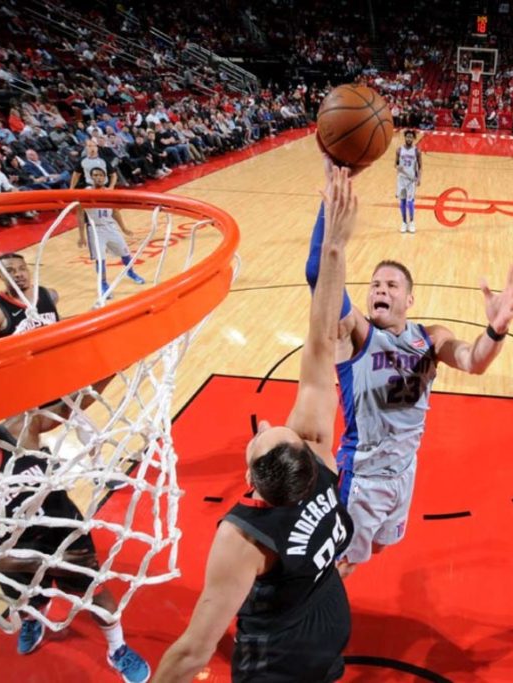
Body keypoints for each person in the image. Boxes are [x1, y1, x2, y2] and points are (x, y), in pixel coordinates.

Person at [153, 164, 359, 683]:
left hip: (280, 659)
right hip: (326, 619)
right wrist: (334, 247)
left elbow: (192, 655)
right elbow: (319, 344)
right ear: (306, 453)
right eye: (272, 426)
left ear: (252, 486)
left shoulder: (243, 538)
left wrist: (334, 246)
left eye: (261, 430)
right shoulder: (322, 455)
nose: (270, 417)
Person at [303, 199, 513, 576]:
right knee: (340, 565)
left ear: (409, 300)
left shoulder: (430, 338)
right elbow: (317, 276)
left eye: (391, 285)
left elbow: (475, 360)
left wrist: (497, 329)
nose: (380, 289)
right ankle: (315, 622)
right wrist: (329, 204)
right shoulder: (355, 334)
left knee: (377, 547)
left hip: (405, 471)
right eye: (375, 284)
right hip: (363, 478)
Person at [0, 422, 152, 683]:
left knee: (94, 595)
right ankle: (34, 617)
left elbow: (74, 399)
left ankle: (117, 649)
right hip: (12, 554)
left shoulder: (20, 431)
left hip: (64, 536)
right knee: (24, 601)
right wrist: (9, 562)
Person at [79, 167, 146, 298]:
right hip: (95, 229)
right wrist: (81, 236)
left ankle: (130, 272)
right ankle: (103, 284)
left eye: (100, 175)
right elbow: (80, 214)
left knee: (126, 253)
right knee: (101, 259)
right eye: (95, 175)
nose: (98, 177)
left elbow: (115, 212)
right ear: (91, 177)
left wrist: (124, 228)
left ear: (105, 177)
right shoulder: (86, 192)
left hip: (110, 227)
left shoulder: (109, 192)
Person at [0, 252, 59, 340]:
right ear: (0, 276)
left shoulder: (49, 294)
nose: (18, 274)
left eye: (22, 269)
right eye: (9, 271)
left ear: (28, 271)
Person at [395, 129, 422, 233]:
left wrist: (419, 178)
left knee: (410, 202)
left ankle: (411, 222)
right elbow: (396, 163)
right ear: (405, 137)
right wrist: (398, 167)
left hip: (411, 180)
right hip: (401, 179)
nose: (409, 138)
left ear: (413, 138)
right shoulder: (399, 150)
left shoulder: (416, 151)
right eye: (407, 136)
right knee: (402, 202)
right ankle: (404, 222)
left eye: (411, 137)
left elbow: (420, 166)